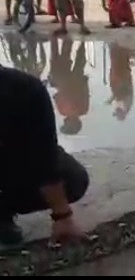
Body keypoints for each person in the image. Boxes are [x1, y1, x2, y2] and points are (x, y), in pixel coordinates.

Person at [0, 66, 88, 245]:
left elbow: (44, 156)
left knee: (73, 179)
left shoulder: (23, 89)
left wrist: (62, 215)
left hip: (9, 164)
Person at [48, 37, 88, 136]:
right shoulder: (63, 111)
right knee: (58, 57)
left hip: (77, 80)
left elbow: (85, 93)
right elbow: (56, 96)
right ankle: (57, 39)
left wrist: (84, 81)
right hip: (63, 81)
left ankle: (78, 43)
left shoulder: (83, 110)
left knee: (78, 60)